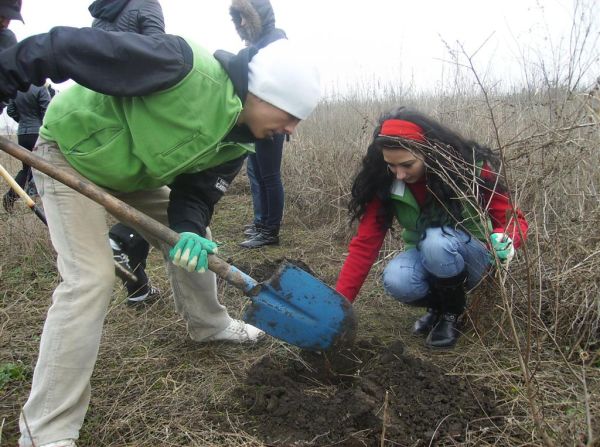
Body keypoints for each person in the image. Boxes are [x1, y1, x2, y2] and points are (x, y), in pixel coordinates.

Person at [0, 27, 320, 447]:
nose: (290, 130)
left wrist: (186, 229)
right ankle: (46, 429)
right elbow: (63, 48)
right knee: (90, 280)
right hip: (70, 154)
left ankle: (209, 324)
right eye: (290, 117)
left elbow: (197, 193)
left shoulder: (239, 141)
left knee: (196, 241)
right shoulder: (181, 67)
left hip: (134, 174)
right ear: (266, 95)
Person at [335, 107, 528, 349]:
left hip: (476, 258)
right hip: (430, 255)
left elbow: (514, 219)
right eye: (392, 166)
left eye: (407, 165)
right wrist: (339, 304)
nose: (400, 175)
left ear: (429, 152)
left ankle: (452, 315)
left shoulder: (468, 168)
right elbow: (365, 244)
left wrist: (506, 240)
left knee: (435, 240)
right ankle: (438, 308)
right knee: (397, 279)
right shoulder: (387, 182)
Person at [89, 0, 165, 305]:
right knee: (145, 191)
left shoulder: (102, 13)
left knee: (132, 192)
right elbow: (157, 53)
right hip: (134, 111)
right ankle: (120, 237)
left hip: (100, 116)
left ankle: (138, 289)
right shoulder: (145, 5)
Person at [230, 0, 287, 248]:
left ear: (259, 17)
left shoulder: (276, 43)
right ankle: (261, 223)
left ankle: (270, 232)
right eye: (238, 18)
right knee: (256, 173)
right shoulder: (256, 45)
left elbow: (280, 83)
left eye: (245, 17)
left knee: (270, 175)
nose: (241, 23)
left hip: (271, 119)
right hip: (255, 118)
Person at [2, 84, 51, 211]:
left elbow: (10, 110)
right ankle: (33, 196)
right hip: (38, 134)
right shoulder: (40, 88)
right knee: (41, 167)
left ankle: (11, 197)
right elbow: (48, 111)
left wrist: (23, 121)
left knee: (26, 169)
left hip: (23, 133)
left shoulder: (17, 89)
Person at [0, 0, 21, 113]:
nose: (6, 23)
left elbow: (10, 78)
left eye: (9, 18)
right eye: (3, 16)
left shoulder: (6, 38)